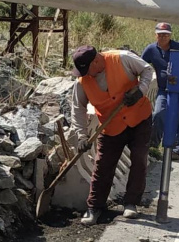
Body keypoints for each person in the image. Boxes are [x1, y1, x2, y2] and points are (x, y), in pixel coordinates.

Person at [68, 45, 155, 225]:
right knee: (102, 165)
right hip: (111, 126)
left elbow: (147, 70)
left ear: (97, 60)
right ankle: (94, 207)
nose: (85, 75)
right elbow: (78, 109)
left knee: (139, 160)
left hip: (139, 118)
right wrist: (82, 136)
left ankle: (131, 203)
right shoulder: (82, 82)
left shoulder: (122, 58)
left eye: (87, 70)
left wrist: (140, 90)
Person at [141, 22, 179, 160]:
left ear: (170, 35)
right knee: (158, 113)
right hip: (163, 88)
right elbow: (141, 65)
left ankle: (178, 150)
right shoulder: (151, 49)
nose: (163, 37)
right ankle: (153, 145)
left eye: (166, 35)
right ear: (155, 35)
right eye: (160, 34)